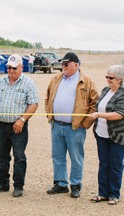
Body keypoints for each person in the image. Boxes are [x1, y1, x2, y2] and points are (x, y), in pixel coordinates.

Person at [45, 52, 99, 198]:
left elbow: (94, 104)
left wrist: (84, 124)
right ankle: (61, 184)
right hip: (56, 125)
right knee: (57, 156)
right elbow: (48, 97)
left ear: (76, 65)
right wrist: (50, 115)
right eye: (62, 64)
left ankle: (75, 185)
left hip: (75, 128)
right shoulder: (56, 79)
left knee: (76, 157)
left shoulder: (87, 81)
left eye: (66, 64)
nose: (63, 66)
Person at [0, 54, 39, 197]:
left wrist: (22, 120)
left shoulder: (28, 83)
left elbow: (34, 104)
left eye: (14, 68)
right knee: (1, 156)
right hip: (3, 125)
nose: (11, 71)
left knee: (19, 156)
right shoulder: (1, 82)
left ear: (21, 67)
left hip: (19, 127)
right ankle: (2, 183)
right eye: (9, 68)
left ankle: (18, 186)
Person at [89, 65, 124, 205]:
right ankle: (102, 193)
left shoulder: (122, 94)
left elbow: (119, 114)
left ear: (120, 79)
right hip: (101, 134)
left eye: (111, 78)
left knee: (115, 166)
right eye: (107, 77)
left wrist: (99, 115)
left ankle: (114, 194)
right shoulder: (105, 91)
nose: (108, 80)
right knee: (103, 164)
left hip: (116, 136)